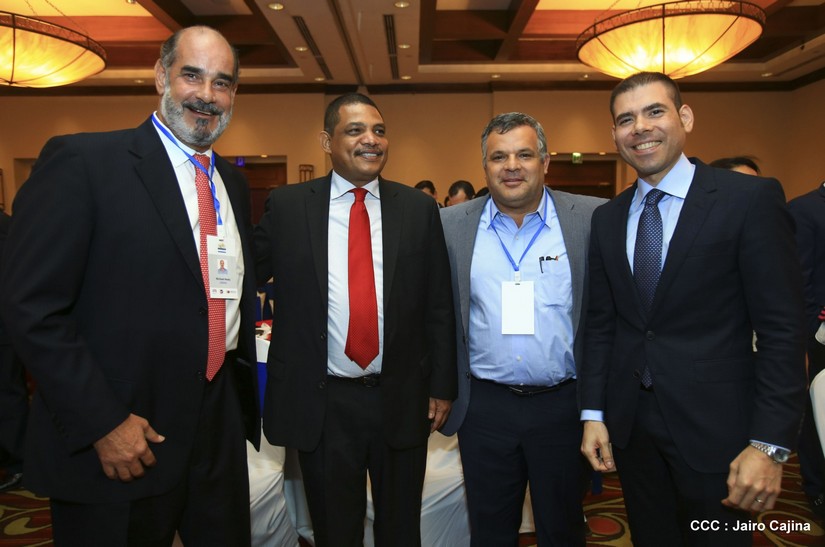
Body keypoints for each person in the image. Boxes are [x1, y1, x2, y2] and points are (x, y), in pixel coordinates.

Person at [0, 26, 259, 545]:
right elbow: (31, 308)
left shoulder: (231, 182)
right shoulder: (85, 164)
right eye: (192, 76)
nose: (207, 95)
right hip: (121, 435)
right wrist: (101, 421)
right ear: (161, 76)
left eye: (222, 82)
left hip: (216, 430)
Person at [579, 72, 807, 546]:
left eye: (654, 111)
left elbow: (783, 331)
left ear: (684, 117)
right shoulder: (607, 218)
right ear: (615, 134)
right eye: (626, 119)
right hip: (633, 431)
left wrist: (769, 445)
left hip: (721, 432)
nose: (641, 127)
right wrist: (594, 413)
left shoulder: (748, 200)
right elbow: (602, 325)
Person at [253, 92, 456, 547]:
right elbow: (244, 273)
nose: (371, 140)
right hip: (324, 402)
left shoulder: (418, 209)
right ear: (327, 141)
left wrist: (442, 385)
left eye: (379, 131)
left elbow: (438, 304)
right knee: (335, 531)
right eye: (356, 130)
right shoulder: (288, 207)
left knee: (400, 530)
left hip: (400, 396)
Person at [440, 112, 605, 545]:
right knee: (490, 531)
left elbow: (607, 318)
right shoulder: (451, 226)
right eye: (499, 157)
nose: (511, 166)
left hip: (563, 407)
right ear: (485, 166)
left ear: (545, 161)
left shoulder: (590, 218)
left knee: (563, 529)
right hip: (484, 409)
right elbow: (436, 315)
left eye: (524, 155)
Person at [788, 183, 825, 519]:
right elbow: (798, 281)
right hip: (820, 340)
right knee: (817, 415)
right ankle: (817, 488)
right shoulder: (805, 208)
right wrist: (812, 332)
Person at [0, 209, 27, 493]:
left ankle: (19, 464)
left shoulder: (4, 227)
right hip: (10, 327)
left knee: (7, 395)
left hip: (6, 329)